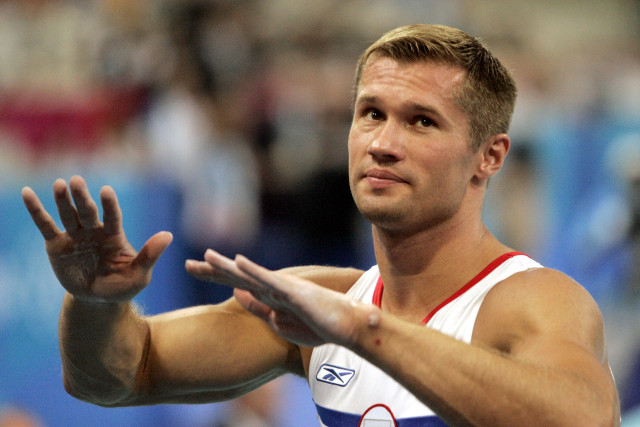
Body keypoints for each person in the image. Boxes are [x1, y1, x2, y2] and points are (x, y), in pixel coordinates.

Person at [21, 24, 620, 426]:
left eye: (422, 122)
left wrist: (366, 332)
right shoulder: (322, 304)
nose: (384, 143)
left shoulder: (531, 300)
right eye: (371, 114)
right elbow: (121, 375)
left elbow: (584, 418)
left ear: (490, 156)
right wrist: (94, 306)